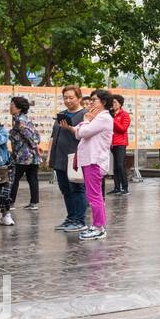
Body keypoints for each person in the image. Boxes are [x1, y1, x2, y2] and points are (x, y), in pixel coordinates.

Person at [63, 89, 113, 240]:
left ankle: (98, 227)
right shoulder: (97, 118)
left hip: (94, 161)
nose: (91, 103)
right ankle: (98, 225)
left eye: (94, 100)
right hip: (90, 160)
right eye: (90, 100)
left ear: (103, 102)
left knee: (94, 196)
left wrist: (85, 119)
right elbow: (78, 132)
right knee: (94, 195)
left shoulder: (103, 118)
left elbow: (83, 132)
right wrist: (85, 122)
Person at [49, 86, 88, 232]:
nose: (68, 100)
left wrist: (70, 129)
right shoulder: (61, 115)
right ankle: (70, 217)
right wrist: (49, 156)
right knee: (65, 189)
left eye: (71, 97)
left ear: (79, 98)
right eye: (65, 97)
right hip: (59, 157)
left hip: (75, 158)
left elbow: (86, 134)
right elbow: (54, 136)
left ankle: (80, 220)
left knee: (77, 188)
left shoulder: (85, 114)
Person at [8, 96, 42, 209]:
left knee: (14, 178)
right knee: (32, 178)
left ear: (19, 108)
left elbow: (29, 136)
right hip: (32, 156)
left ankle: (10, 202)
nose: (10, 107)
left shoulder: (20, 120)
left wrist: (33, 145)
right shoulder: (23, 118)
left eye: (12, 105)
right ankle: (34, 203)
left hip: (23, 156)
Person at [107, 94, 131, 195]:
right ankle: (117, 187)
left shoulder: (124, 115)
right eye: (112, 102)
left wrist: (112, 120)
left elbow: (122, 129)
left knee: (121, 165)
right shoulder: (111, 114)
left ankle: (125, 188)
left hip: (121, 143)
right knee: (115, 166)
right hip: (112, 143)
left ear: (120, 104)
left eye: (115, 102)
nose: (113, 104)